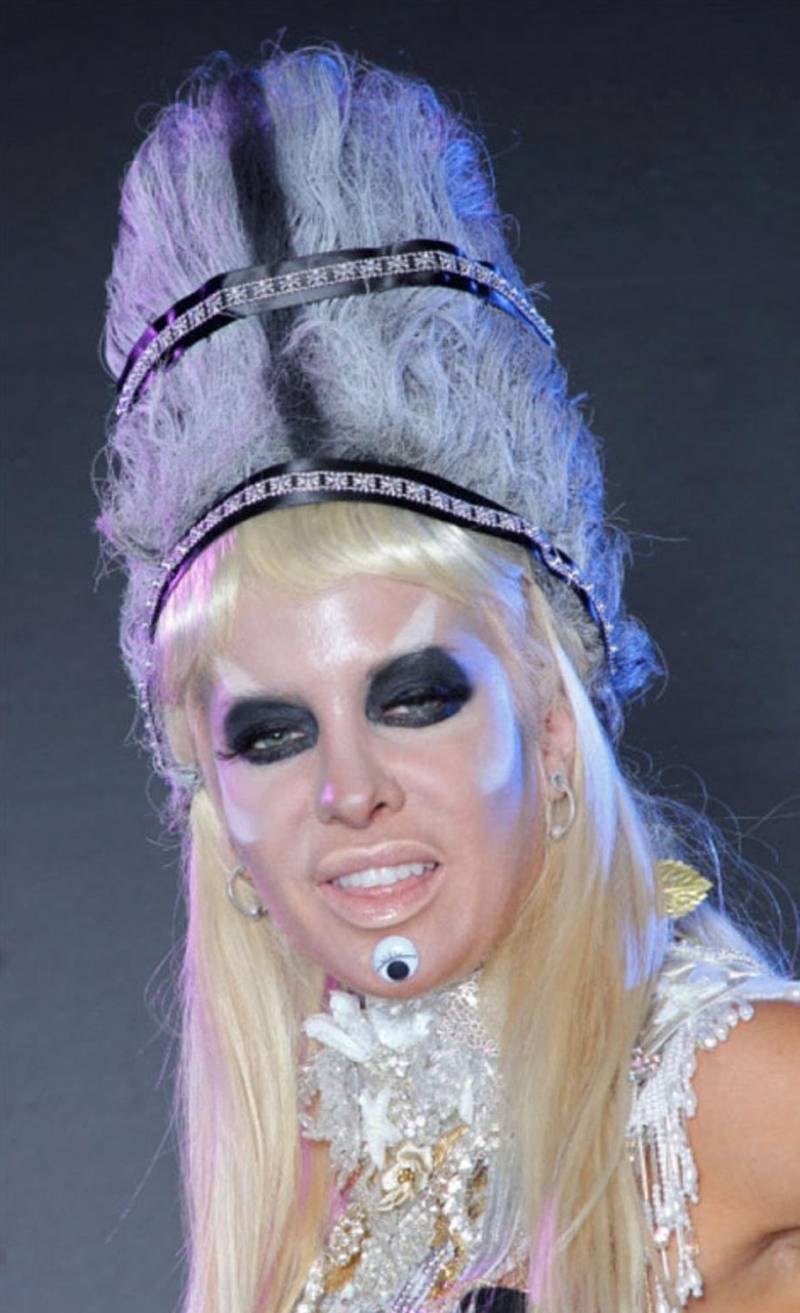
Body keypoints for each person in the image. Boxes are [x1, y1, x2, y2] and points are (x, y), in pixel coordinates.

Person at [96, 45, 800, 1313]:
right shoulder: (307, 1180)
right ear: (212, 800)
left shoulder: (727, 1088)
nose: (348, 789)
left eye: (413, 697)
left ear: (548, 717)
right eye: (271, 732)